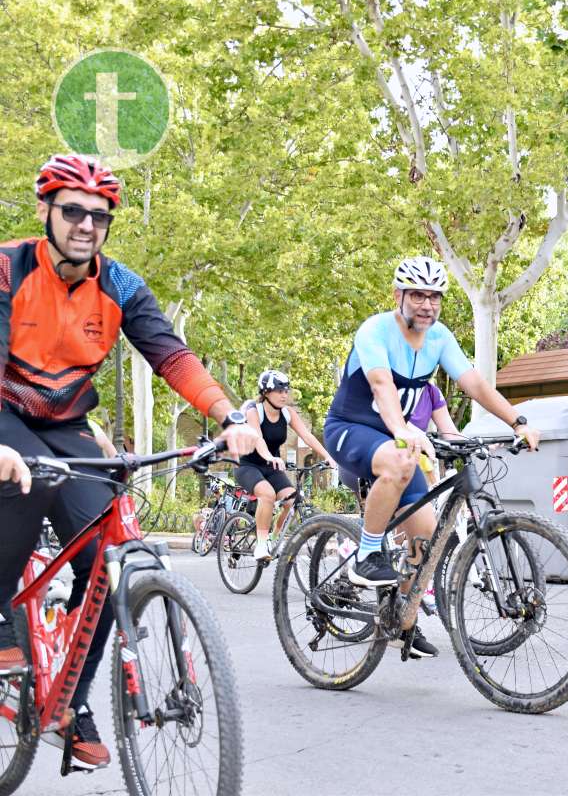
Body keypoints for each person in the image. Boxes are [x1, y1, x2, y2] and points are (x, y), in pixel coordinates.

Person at [0, 154, 259, 769]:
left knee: (106, 564)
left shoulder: (118, 285)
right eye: (72, 211)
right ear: (45, 212)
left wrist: (229, 416)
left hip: (68, 423)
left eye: (99, 215)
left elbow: (172, 356)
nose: (86, 224)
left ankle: (69, 704)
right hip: (6, 415)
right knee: (26, 478)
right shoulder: (9, 268)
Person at [324, 255, 540, 658]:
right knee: (399, 460)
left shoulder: (439, 338)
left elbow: (475, 383)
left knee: (426, 538)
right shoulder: (375, 331)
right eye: (418, 295)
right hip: (351, 430)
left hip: (398, 438)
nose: (427, 304)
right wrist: (404, 429)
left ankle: (400, 618)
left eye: (434, 297)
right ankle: (367, 553)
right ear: (398, 296)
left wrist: (517, 421)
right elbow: (381, 385)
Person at [236, 369, 336, 560]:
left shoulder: (288, 413)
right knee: (267, 494)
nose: (284, 395)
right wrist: (270, 457)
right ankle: (261, 545)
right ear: (265, 393)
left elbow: (306, 436)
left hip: (271, 467)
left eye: (286, 391)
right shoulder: (254, 412)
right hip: (248, 465)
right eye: (279, 391)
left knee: (291, 501)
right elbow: (258, 439)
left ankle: (274, 541)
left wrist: (327, 456)